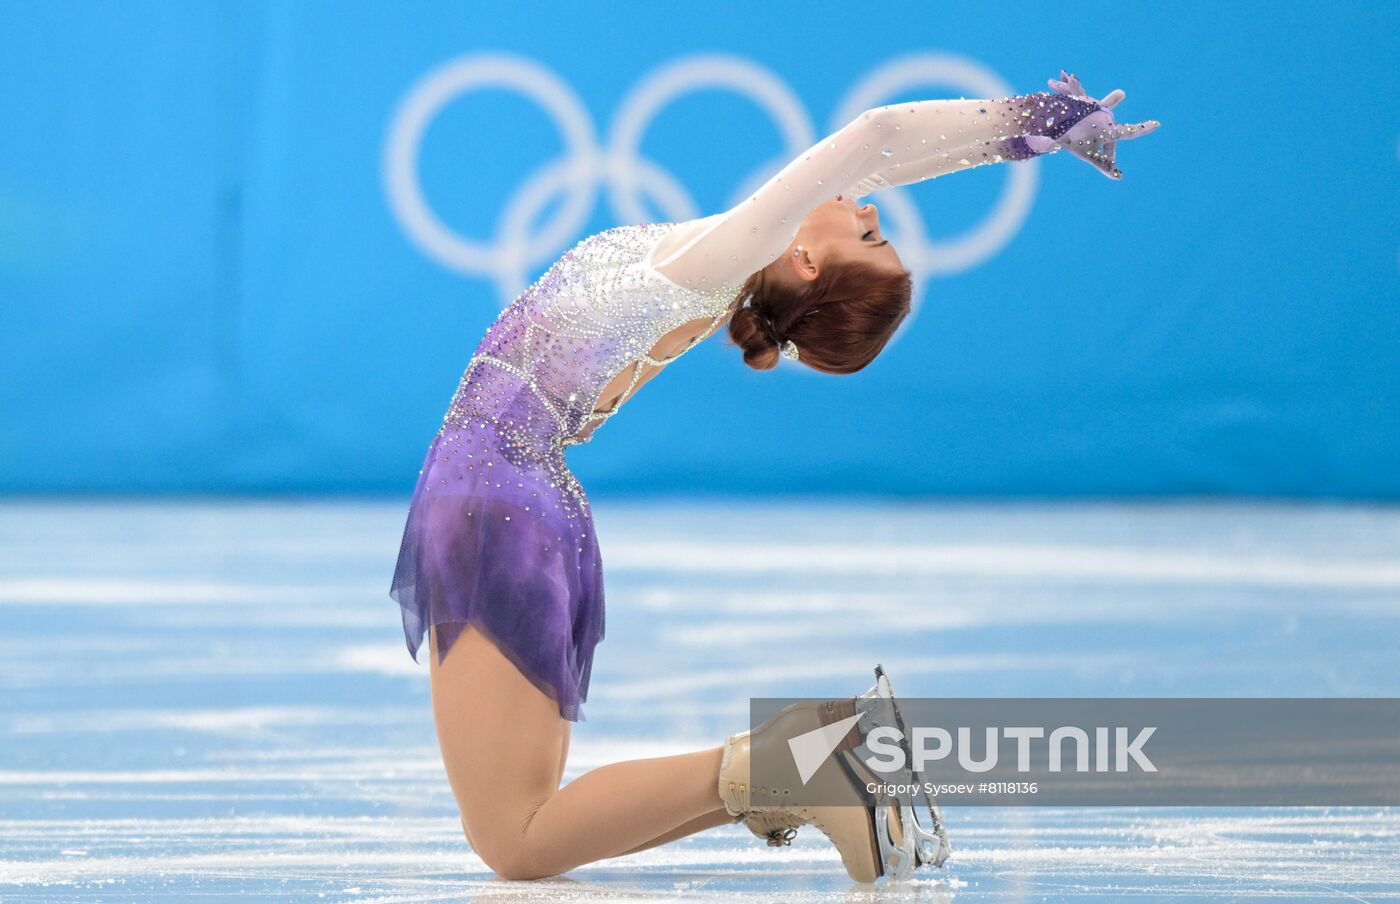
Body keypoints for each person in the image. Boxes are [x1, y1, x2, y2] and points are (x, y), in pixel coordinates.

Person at [388, 70, 1159, 882]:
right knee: (527, 823)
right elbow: (884, 161)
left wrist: (1039, 117)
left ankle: (801, 759)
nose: (872, 212)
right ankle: (798, 768)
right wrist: (1026, 136)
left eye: (870, 240)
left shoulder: (723, 256)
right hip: (517, 496)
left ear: (804, 261)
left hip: (489, 499)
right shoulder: (718, 253)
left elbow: (877, 136)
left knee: (517, 837)